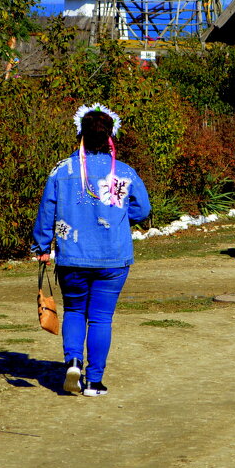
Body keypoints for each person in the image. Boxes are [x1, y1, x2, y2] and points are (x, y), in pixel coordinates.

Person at [33, 104, 151, 396]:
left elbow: (47, 211)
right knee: (101, 317)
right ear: (111, 135)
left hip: (72, 255)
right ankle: (94, 381)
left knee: (74, 310)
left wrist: (42, 244)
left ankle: (73, 361)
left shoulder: (61, 170)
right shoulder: (124, 173)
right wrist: (124, 218)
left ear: (80, 134)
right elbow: (142, 208)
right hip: (113, 256)